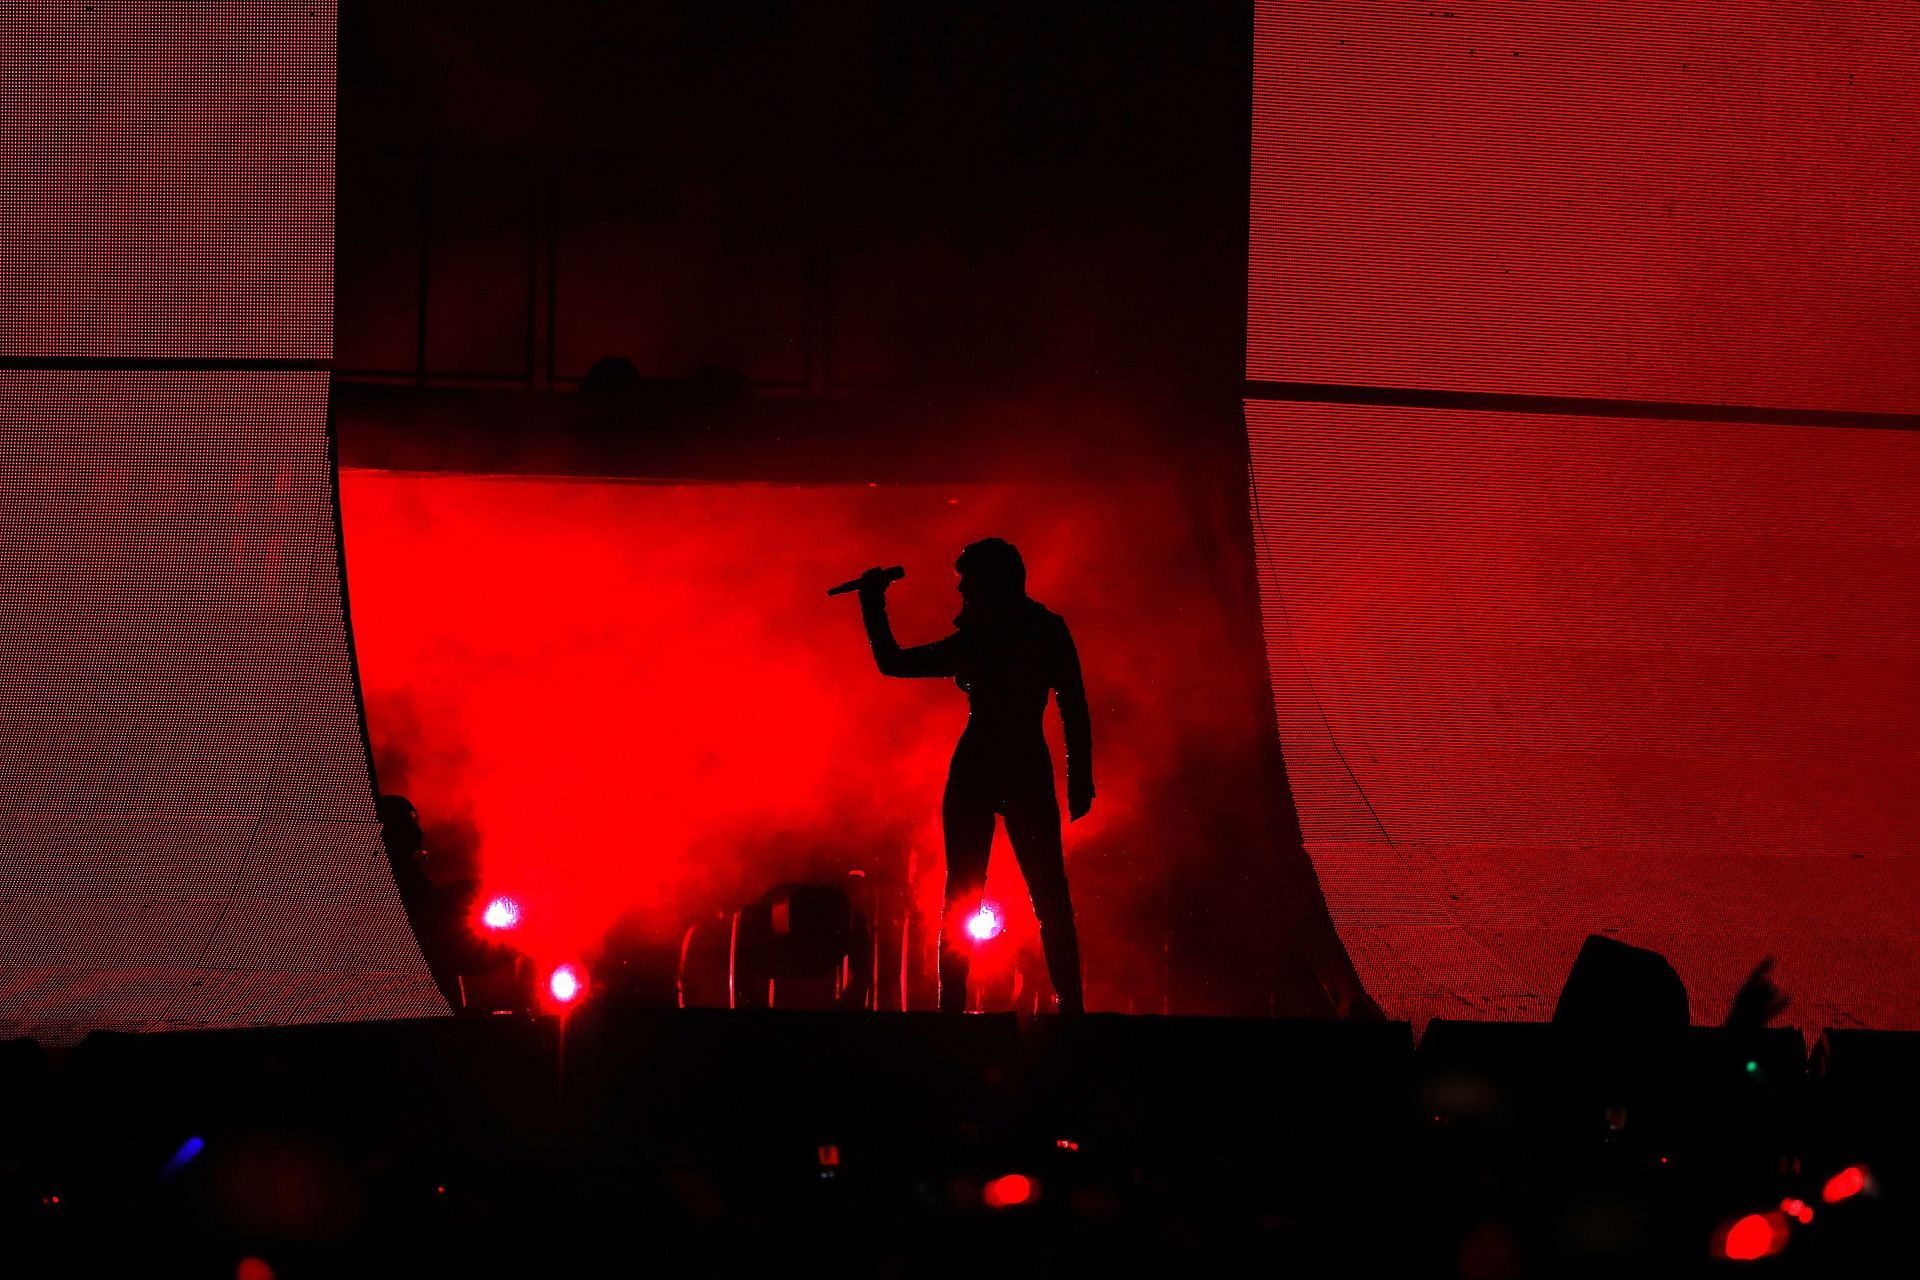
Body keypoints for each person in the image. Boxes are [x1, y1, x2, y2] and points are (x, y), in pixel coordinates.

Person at [852, 538, 1091, 1014]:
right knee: (1044, 896)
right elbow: (1073, 705)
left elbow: (892, 663)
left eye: (967, 580)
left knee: (966, 892)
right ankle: (1070, 1011)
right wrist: (1079, 775)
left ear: (987, 583)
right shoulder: (1044, 629)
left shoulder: (983, 638)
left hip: (982, 763)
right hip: (1020, 762)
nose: (960, 588)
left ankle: (953, 1011)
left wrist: (872, 603)